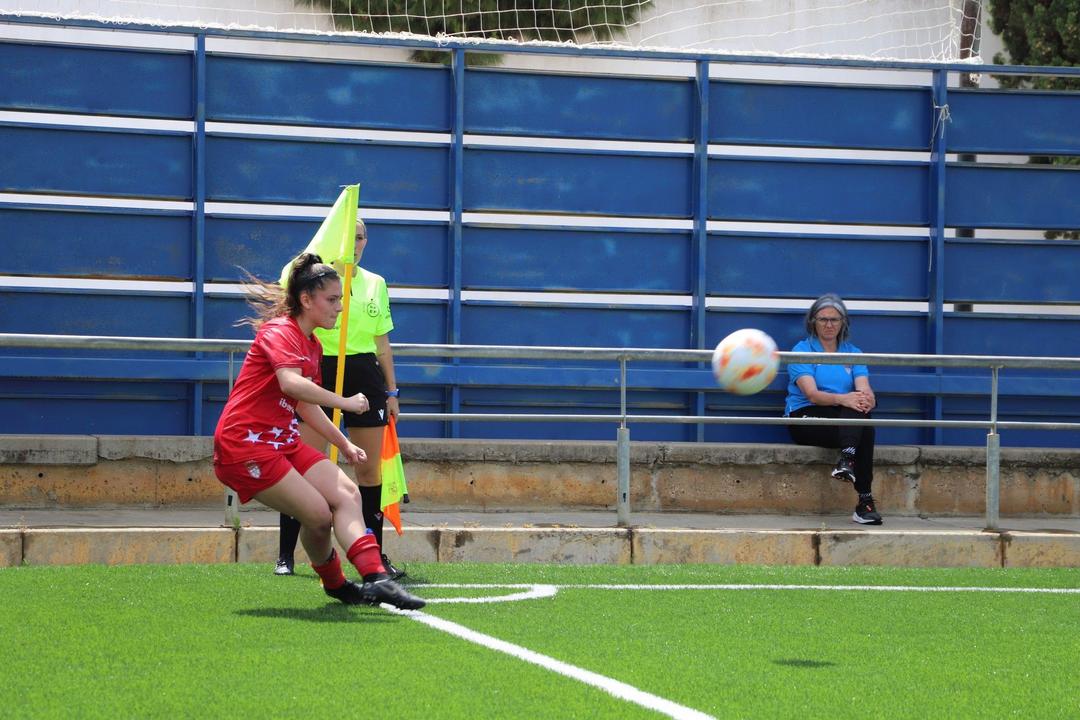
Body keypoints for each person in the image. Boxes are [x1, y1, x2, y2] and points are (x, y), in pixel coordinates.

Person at [213, 252, 424, 609]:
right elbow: (290, 384)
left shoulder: (312, 344)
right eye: (333, 299)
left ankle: (377, 579)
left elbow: (302, 404)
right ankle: (338, 585)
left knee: (348, 493)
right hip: (245, 445)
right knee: (318, 514)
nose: (340, 308)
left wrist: (344, 444)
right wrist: (345, 403)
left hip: (281, 442)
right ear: (306, 300)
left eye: (341, 299)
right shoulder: (280, 331)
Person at [275, 219, 405, 579]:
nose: (355, 244)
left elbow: (382, 343)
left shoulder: (376, 283)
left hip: (364, 372)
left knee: (369, 469)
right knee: (305, 462)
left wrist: (392, 391)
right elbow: (287, 278)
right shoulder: (315, 279)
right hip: (321, 368)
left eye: (361, 237)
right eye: (349, 236)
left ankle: (375, 555)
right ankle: (286, 554)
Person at [783, 294, 882, 525]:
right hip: (805, 417)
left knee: (862, 415)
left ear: (843, 323)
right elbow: (812, 395)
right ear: (813, 322)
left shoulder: (853, 353)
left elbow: (863, 388)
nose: (829, 325)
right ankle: (865, 501)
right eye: (823, 319)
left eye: (834, 319)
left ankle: (848, 462)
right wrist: (844, 399)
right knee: (862, 424)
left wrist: (868, 399)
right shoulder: (802, 350)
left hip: (841, 419)